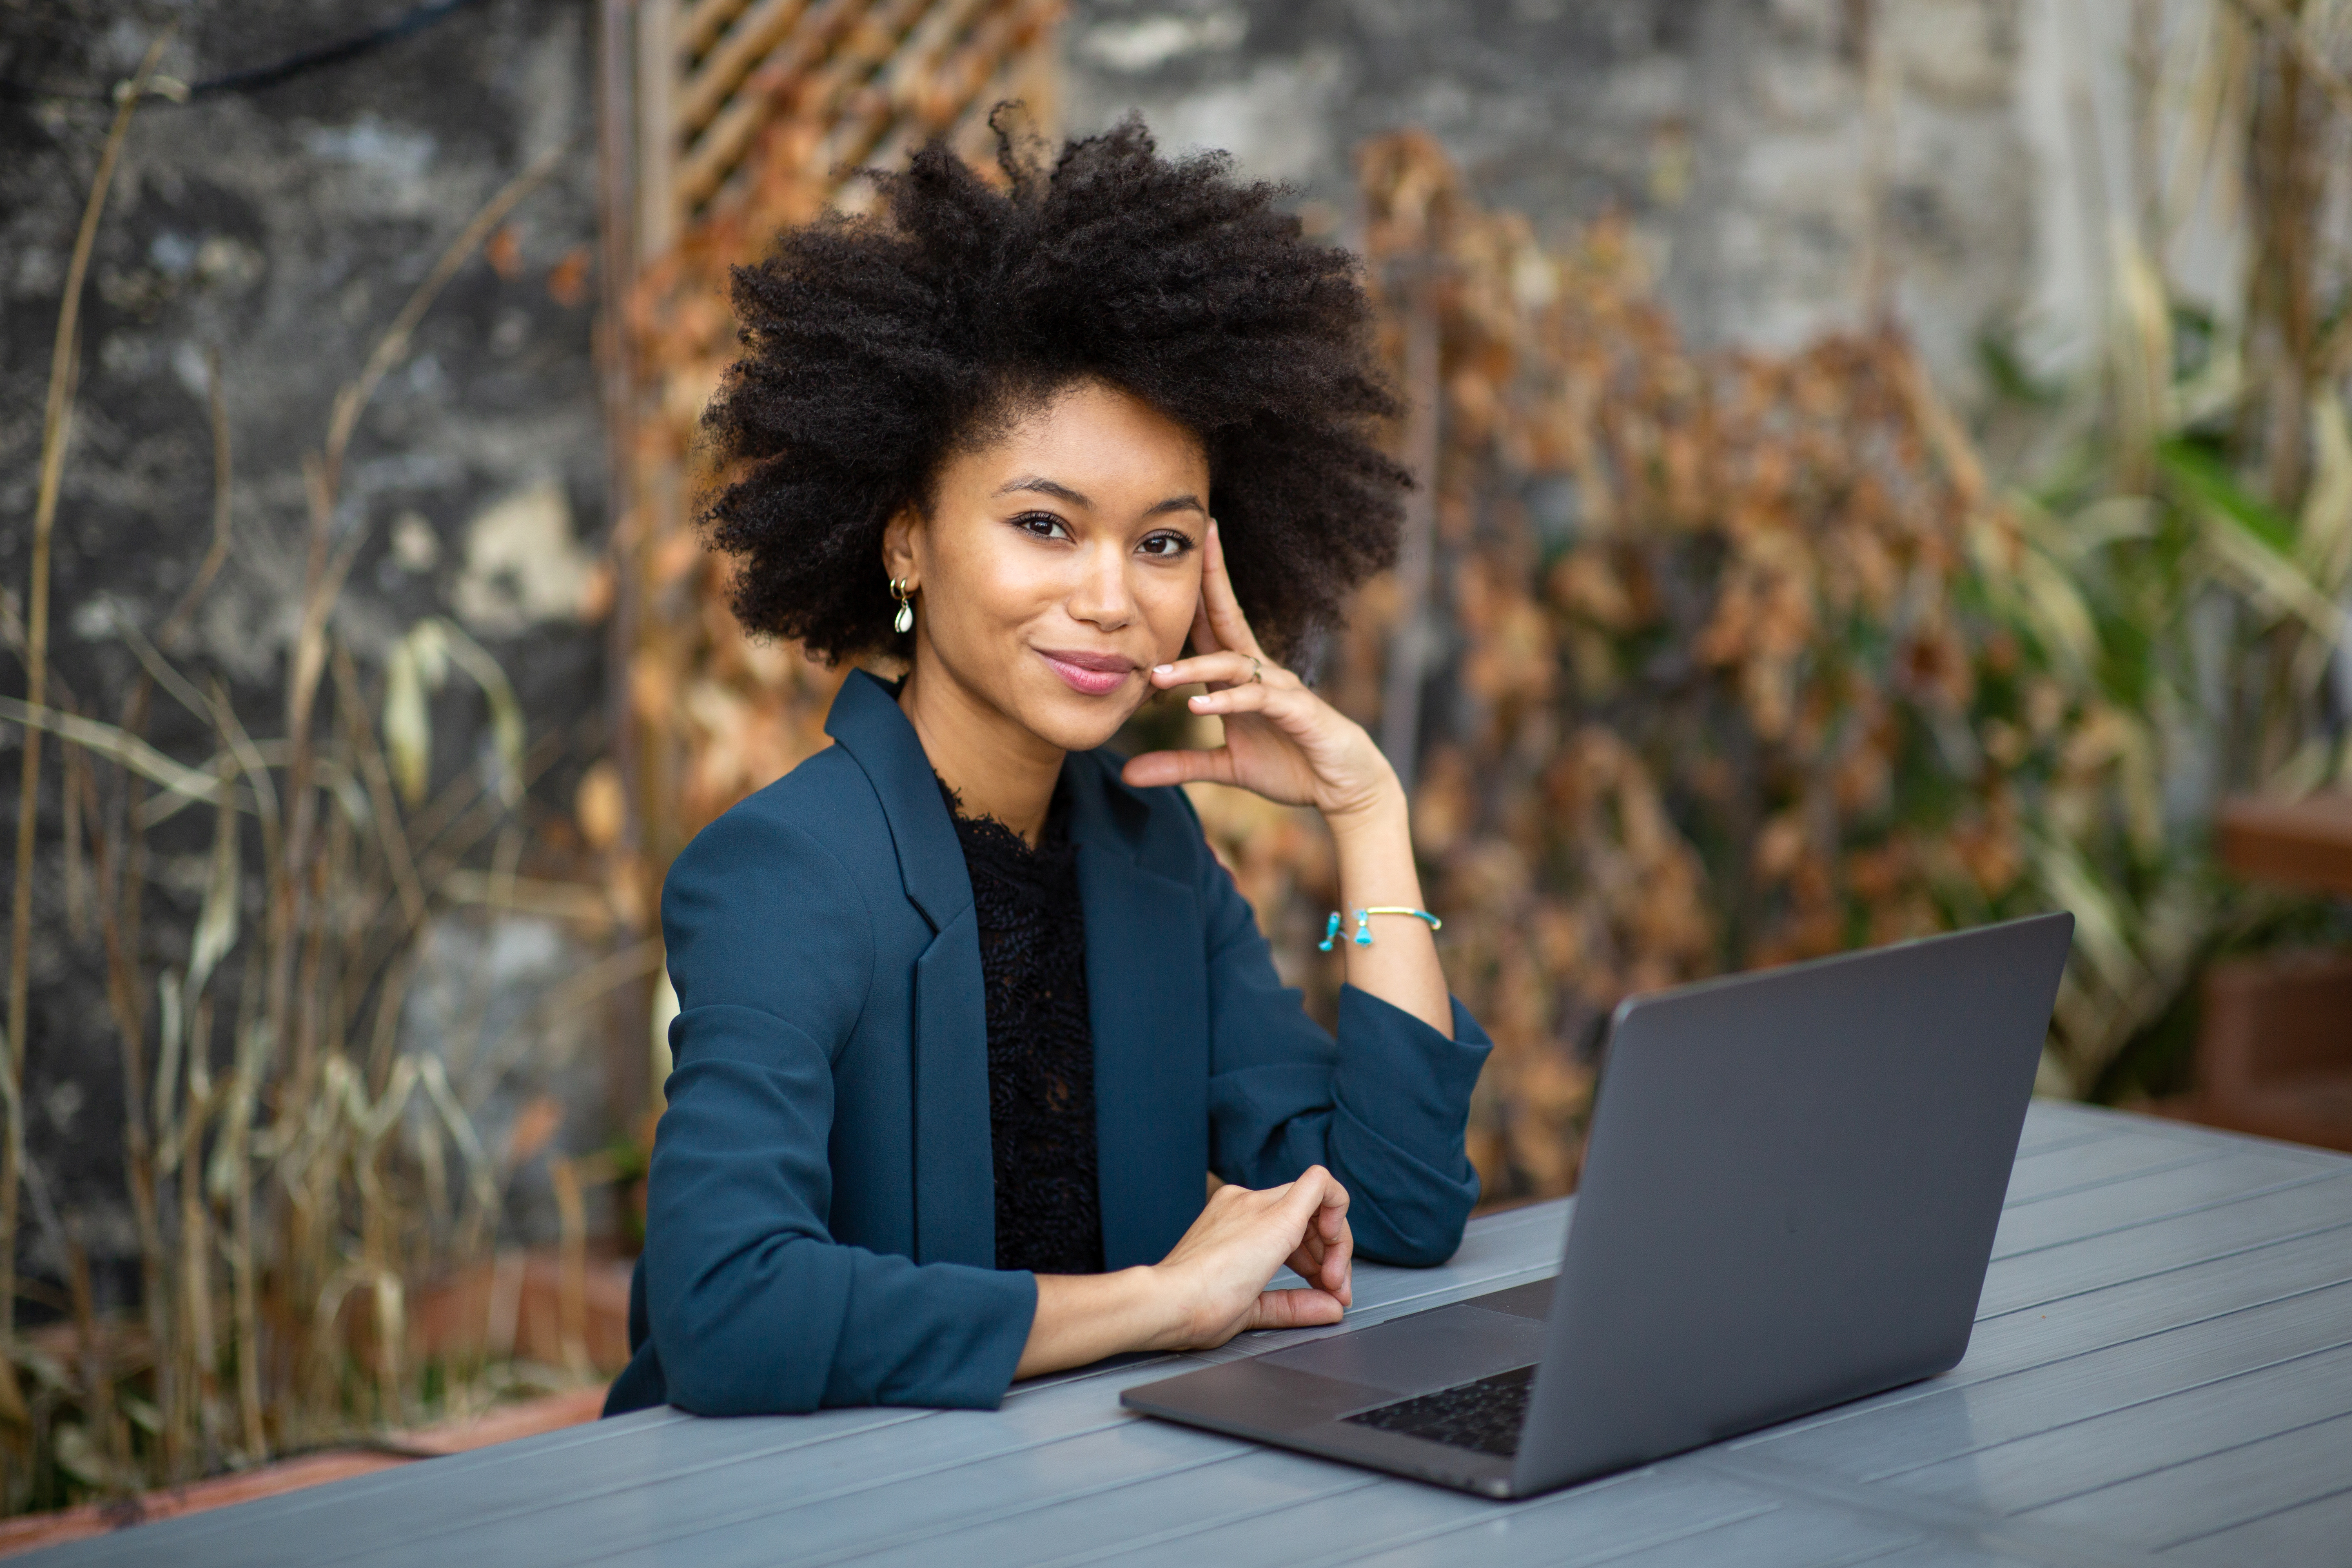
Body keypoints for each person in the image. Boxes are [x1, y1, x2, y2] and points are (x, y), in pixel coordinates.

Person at [604, 115, 1493, 1419]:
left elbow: (1400, 1205)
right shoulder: (790, 869)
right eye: (1044, 526)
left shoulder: (1148, 854)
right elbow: (729, 1310)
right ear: (906, 542)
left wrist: (1369, 815)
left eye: (1163, 544)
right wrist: (1156, 1304)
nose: (1110, 598)